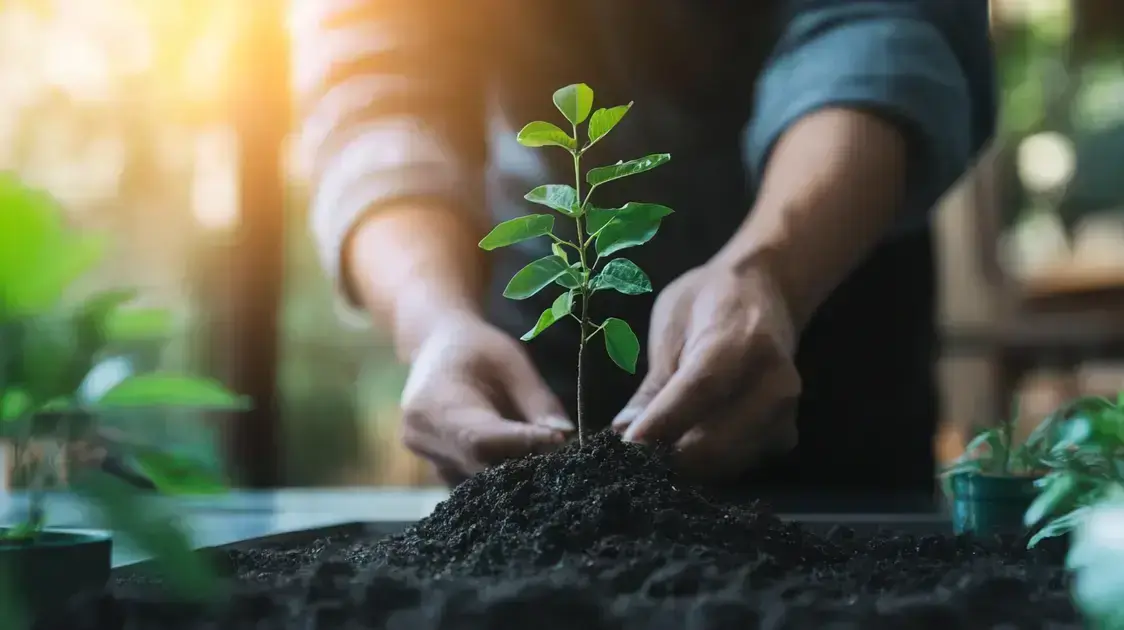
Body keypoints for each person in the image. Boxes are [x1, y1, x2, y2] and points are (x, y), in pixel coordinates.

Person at [295, 0, 996, 499]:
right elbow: (374, 89)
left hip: (829, 305)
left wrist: (774, 271)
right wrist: (435, 322)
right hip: (526, 377)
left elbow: (881, 32)